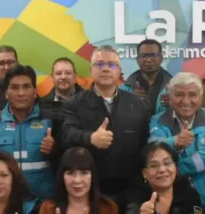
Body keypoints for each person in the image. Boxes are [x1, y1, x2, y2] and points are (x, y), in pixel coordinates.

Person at [60, 46, 150, 204]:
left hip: (130, 191)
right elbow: (66, 135)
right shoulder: (73, 104)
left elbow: (145, 144)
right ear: (91, 69)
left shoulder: (136, 104)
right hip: (89, 192)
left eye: (112, 65)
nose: (106, 69)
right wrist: (90, 138)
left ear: (120, 71)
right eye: (100, 64)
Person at [148, 72, 205, 211]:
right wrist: (175, 142)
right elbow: (153, 151)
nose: (186, 101)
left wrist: (180, 168)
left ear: (200, 96)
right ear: (170, 97)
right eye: (179, 95)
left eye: (192, 95)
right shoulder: (158, 120)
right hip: (175, 203)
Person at [0, 64, 55, 200]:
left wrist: (54, 149)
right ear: (6, 93)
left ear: (35, 91)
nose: (21, 93)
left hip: (42, 203)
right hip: (5, 202)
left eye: (26, 87)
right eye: (14, 87)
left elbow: (63, 162)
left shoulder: (51, 120)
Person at [122, 39, 172, 116]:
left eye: (154, 55)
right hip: (134, 128)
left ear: (161, 58)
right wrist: (130, 101)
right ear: (137, 59)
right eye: (144, 56)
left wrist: (175, 103)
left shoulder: (176, 86)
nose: (148, 60)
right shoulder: (124, 89)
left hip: (164, 127)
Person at [40, 57, 83, 123]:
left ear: (75, 77)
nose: (63, 77)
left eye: (68, 73)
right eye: (58, 73)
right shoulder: (41, 106)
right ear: (52, 77)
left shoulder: (88, 101)